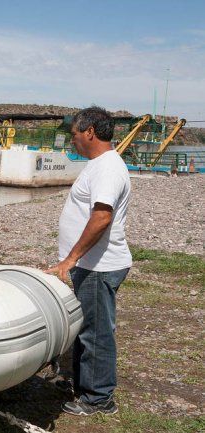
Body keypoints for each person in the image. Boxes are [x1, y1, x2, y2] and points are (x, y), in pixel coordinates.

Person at [45, 106, 132, 417]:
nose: (73, 141)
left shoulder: (107, 168)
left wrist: (71, 258)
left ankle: (98, 399)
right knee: (85, 327)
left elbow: (102, 216)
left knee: (96, 333)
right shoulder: (99, 164)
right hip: (91, 265)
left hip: (99, 266)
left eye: (75, 135)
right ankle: (81, 385)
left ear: (90, 132)